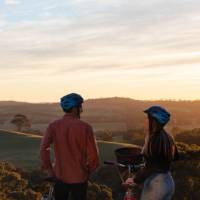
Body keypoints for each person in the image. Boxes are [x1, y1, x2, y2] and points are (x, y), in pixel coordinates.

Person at [40, 93, 99, 200]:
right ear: (75, 108)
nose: (82, 109)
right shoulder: (85, 127)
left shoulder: (53, 126)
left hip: (59, 176)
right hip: (80, 177)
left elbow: (44, 149)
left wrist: (49, 169)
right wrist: (88, 170)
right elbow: (94, 155)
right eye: (80, 106)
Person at [127, 106, 179, 200]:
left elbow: (150, 167)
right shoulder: (168, 137)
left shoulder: (153, 138)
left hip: (156, 184)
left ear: (154, 121)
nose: (145, 121)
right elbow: (174, 158)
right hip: (168, 182)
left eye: (147, 118)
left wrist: (135, 179)